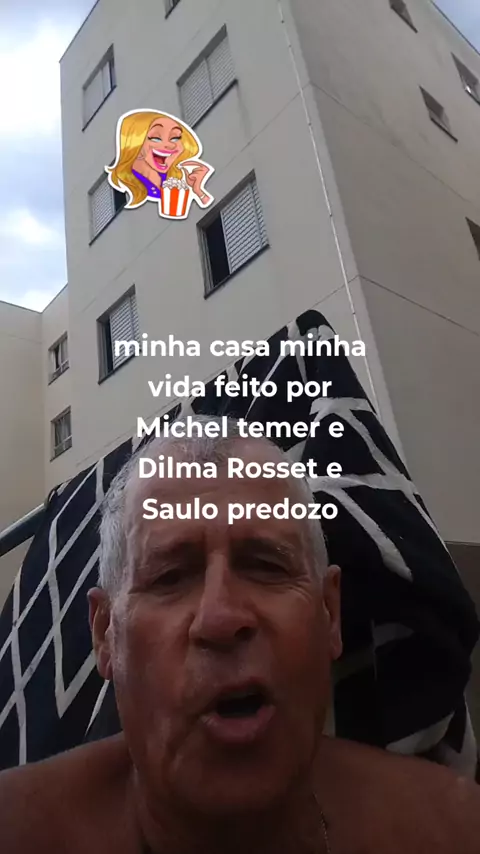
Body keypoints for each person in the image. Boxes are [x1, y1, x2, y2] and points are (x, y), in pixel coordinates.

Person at [1, 420, 480, 854]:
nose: (220, 618)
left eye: (267, 566)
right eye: (170, 577)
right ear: (105, 633)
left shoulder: (455, 829)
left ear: (329, 614)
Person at [107, 110, 213, 209]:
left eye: (175, 138)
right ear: (134, 144)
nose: (169, 145)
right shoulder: (127, 183)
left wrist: (198, 191)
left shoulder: (175, 180)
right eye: (156, 138)